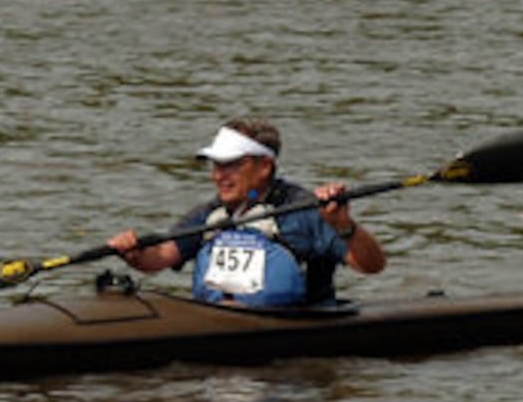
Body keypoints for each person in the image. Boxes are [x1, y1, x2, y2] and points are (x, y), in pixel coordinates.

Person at [106, 118, 386, 307]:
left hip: (294, 324)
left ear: (264, 166)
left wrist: (344, 226)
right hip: (220, 320)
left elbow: (371, 266)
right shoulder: (211, 214)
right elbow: (161, 257)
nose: (217, 176)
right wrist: (134, 253)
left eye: (230, 165)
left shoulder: (304, 210)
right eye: (215, 166)